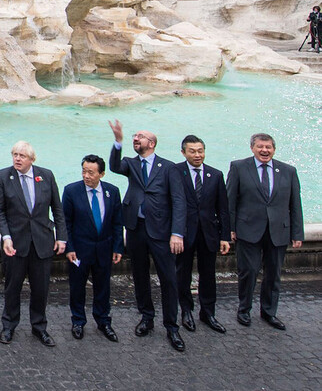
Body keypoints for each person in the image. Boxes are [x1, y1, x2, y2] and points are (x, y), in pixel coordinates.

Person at [108, 120, 187, 352]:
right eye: (134, 136)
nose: (135, 138)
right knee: (139, 276)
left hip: (162, 231)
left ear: (151, 143)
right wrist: (118, 141)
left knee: (169, 279)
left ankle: (172, 325)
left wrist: (177, 233)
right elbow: (113, 166)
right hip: (135, 229)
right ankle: (146, 317)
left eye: (139, 136)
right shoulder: (130, 164)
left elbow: (179, 201)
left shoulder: (169, 167)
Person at [0, 141, 67, 347]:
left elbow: (57, 209)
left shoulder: (47, 175)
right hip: (15, 243)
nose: (17, 158)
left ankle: (39, 327)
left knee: (41, 288)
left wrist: (61, 237)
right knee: (12, 287)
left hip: (42, 242)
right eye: (15, 154)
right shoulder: (2, 177)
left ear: (32, 159)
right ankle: (8, 326)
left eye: (22, 156)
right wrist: (6, 237)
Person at [227, 133, 304, 330]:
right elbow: (230, 202)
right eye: (260, 147)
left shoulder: (288, 171)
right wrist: (230, 228)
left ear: (274, 149)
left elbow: (295, 204)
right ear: (252, 148)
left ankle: (269, 312)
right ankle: (244, 310)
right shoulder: (238, 167)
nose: (264, 150)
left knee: (273, 275)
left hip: (278, 231)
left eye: (268, 147)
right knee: (248, 272)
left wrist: (297, 233)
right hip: (248, 230)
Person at [63, 155, 123, 342]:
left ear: (101, 174)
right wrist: (69, 248)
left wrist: (117, 247)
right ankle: (78, 320)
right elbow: (66, 223)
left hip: (104, 248)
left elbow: (117, 222)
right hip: (80, 249)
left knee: (103, 286)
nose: (86, 176)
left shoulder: (112, 192)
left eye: (91, 172)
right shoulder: (71, 191)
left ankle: (103, 320)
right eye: (84, 171)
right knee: (78, 287)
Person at [174, 135, 231, 334]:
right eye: (193, 151)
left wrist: (225, 236)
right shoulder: (175, 172)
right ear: (183, 152)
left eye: (200, 151)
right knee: (183, 274)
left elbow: (223, 208)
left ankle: (208, 312)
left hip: (209, 233)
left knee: (208, 275)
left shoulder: (215, 175)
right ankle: (186, 311)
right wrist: (174, 233)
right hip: (184, 233)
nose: (197, 155)